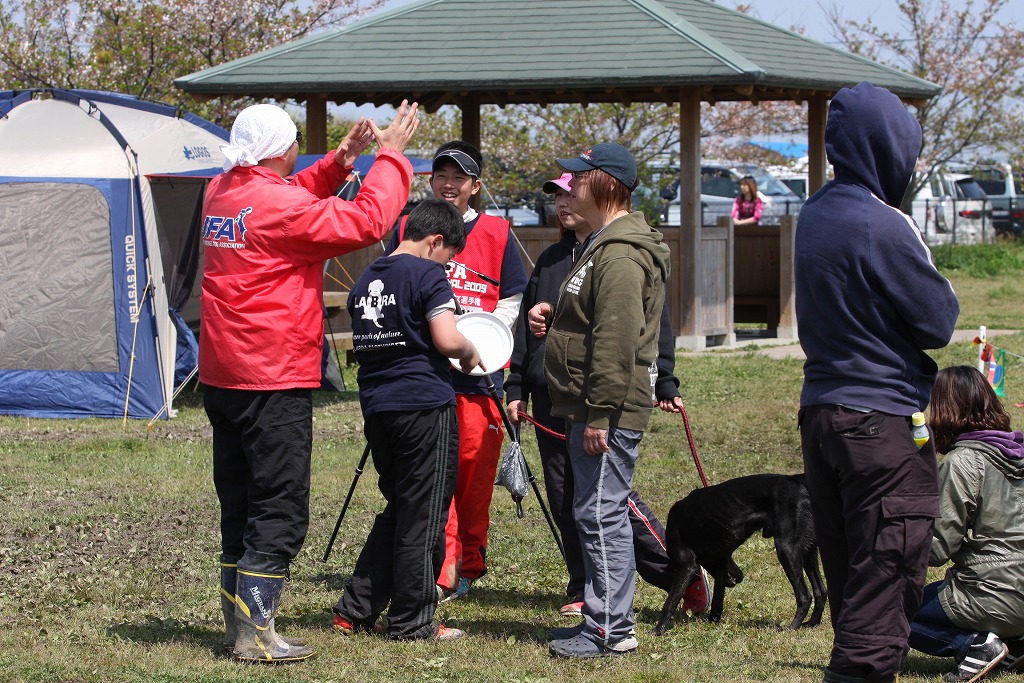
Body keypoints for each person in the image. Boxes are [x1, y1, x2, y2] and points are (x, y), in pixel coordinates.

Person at [200, 100, 419, 663]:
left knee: (241, 500)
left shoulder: (222, 190)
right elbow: (368, 222)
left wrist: (341, 160)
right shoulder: (278, 205)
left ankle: (238, 623)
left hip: (224, 371)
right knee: (279, 504)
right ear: (281, 148)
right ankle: (256, 631)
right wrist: (389, 157)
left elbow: (284, 194)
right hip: (271, 372)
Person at [795, 81, 960, 683]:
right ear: (887, 148)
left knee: (852, 574)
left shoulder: (813, 212)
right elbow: (938, 320)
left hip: (823, 413)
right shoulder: (881, 223)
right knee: (886, 573)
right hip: (882, 422)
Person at [505, 172, 708, 619]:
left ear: (602, 192)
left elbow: (627, 332)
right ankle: (587, 590)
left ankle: (667, 582)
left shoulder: (618, 255)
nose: (565, 200)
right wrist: (520, 378)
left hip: (598, 399)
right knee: (573, 501)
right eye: (558, 193)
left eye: (572, 189)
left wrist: (661, 381)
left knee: (605, 505)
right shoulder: (561, 257)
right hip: (556, 396)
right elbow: (560, 324)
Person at [528, 143, 670, 658]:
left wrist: (603, 414)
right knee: (595, 510)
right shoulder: (601, 245)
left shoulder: (622, 253)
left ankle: (610, 629)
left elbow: (616, 339)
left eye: (577, 178)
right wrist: (554, 314)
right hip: (587, 402)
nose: (569, 187)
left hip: (604, 406)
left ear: (606, 184)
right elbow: (593, 319)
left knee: (601, 513)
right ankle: (605, 620)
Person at [331, 199, 481, 642]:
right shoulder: (427, 274)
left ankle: (355, 610)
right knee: (425, 515)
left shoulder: (367, 277)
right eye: (450, 255)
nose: (448, 264)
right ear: (436, 241)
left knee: (401, 508)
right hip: (423, 408)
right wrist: (470, 351)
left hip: (378, 409)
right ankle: (413, 620)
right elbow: (446, 337)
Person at [384, 141, 528, 600]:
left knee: (473, 477)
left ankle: (469, 562)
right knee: (431, 477)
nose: (448, 184)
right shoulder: (408, 227)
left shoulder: (498, 232)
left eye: (459, 177)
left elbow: (513, 297)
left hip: (481, 375)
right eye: (441, 175)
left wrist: (486, 334)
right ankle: (439, 569)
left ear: (475, 186)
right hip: (424, 375)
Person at [907, 365, 1024, 682]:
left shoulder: (963, 462)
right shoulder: (1018, 451)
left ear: (944, 412)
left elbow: (936, 549)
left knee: (888, 609)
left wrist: (902, 526)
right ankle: (1015, 643)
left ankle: (976, 645)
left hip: (992, 593)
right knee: (934, 593)